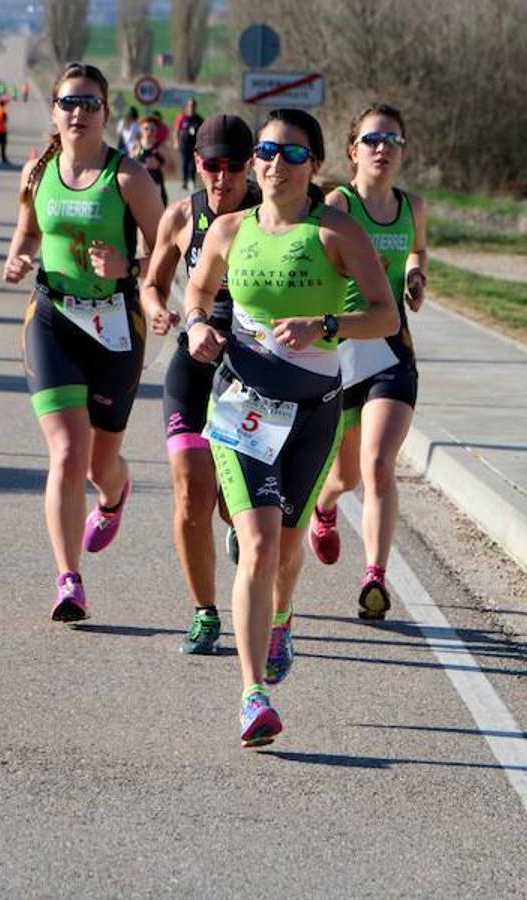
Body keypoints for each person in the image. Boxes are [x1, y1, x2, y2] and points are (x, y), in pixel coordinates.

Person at [184, 108, 399, 747]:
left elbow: (384, 315)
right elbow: (195, 291)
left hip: (314, 411)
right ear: (255, 161)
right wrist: (197, 324)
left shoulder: (337, 232)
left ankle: (282, 617)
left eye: (295, 154)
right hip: (243, 405)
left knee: (284, 548)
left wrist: (325, 326)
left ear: (315, 166)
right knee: (255, 543)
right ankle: (253, 695)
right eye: (269, 151)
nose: (278, 163)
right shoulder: (227, 231)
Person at [2, 63, 164, 621]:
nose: (79, 113)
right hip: (53, 319)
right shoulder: (37, 168)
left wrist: (130, 264)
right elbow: (28, 224)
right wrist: (18, 254)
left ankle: (116, 495)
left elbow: (170, 256)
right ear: (54, 110)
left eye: (91, 104)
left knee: (100, 464)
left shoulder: (129, 178)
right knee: (67, 453)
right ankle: (69, 579)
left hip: (116, 325)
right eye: (70, 102)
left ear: (106, 112)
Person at [140, 114, 261, 656]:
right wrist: (161, 314)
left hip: (256, 375)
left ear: (252, 163)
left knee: (229, 502)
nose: (223, 177)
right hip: (194, 364)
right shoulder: (181, 216)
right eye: (213, 166)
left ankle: (238, 527)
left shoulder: (270, 216)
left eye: (235, 166)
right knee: (192, 489)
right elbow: (153, 284)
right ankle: (205, 612)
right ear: (197, 163)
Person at [307, 103, 427, 622]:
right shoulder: (338, 205)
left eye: (393, 141)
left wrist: (415, 276)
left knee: (379, 463)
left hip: (392, 349)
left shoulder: (411, 206)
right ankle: (325, 507)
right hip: (341, 350)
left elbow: (418, 251)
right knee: (346, 476)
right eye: (374, 140)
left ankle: (375, 577)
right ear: (353, 150)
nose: (384, 149)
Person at [136, 116, 167, 206]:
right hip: (139, 183)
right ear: (141, 130)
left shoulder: (160, 147)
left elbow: (172, 169)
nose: (149, 132)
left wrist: (159, 164)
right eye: (146, 129)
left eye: (152, 130)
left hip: (155, 183)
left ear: (156, 131)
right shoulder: (136, 147)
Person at [174, 99, 204, 190]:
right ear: (187, 106)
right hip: (185, 143)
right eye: (190, 105)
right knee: (185, 163)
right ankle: (184, 180)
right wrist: (176, 142)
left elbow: (203, 131)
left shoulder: (199, 119)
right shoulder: (182, 117)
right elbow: (176, 130)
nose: (191, 107)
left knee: (193, 163)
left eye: (193, 105)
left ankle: (192, 180)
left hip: (195, 144)